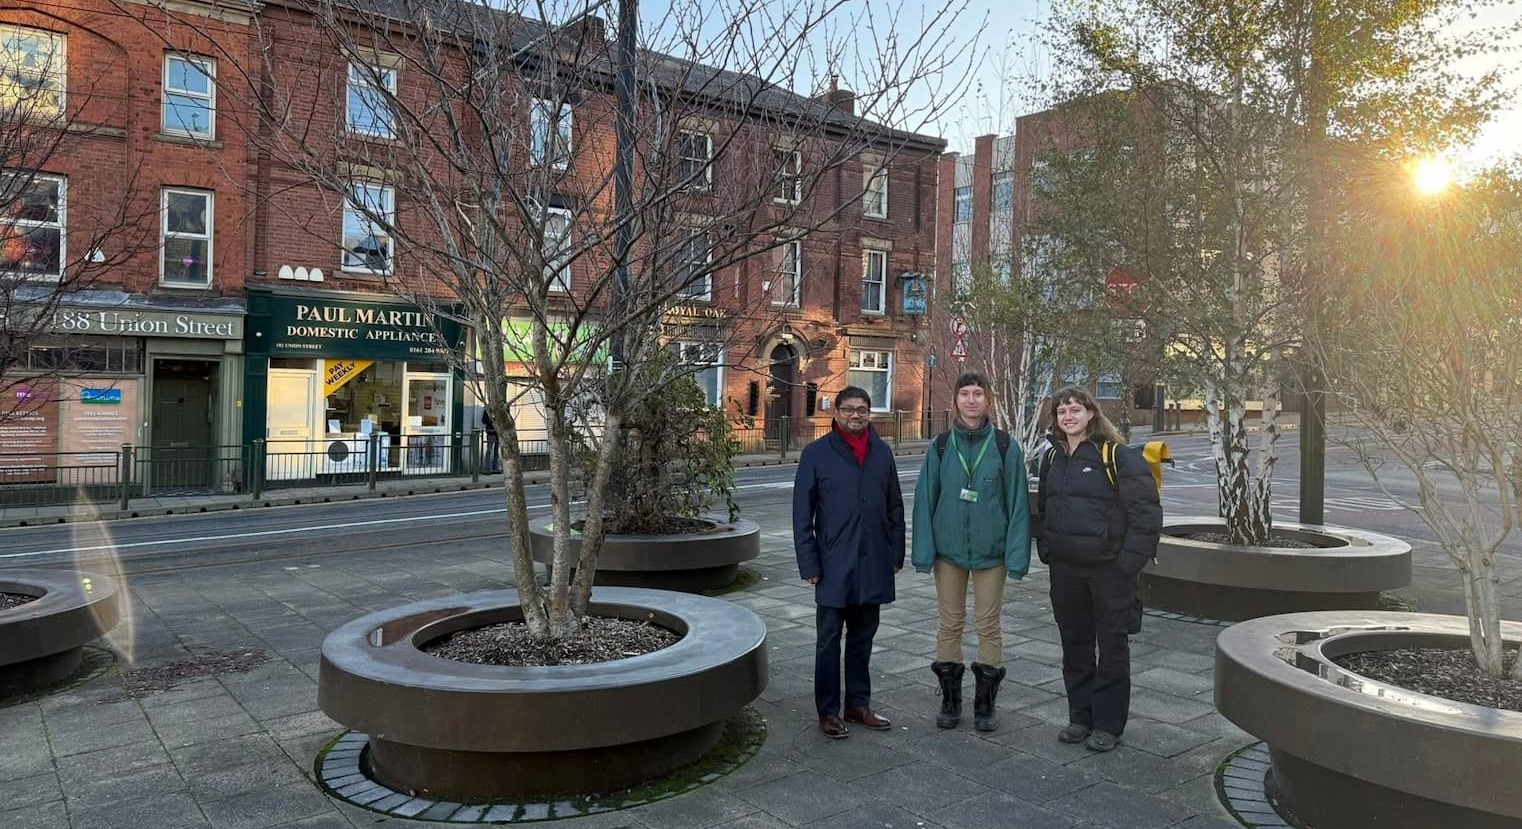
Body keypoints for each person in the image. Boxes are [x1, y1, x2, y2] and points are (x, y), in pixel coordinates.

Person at [1035, 385, 1162, 752]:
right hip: (1065, 570)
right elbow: (1043, 507)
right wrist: (1047, 548)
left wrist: (1127, 565)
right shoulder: (1053, 458)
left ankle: (1108, 724)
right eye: (1062, 411)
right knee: (1074, 645)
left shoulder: (1117, 456)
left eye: (1076, 409)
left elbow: (1147, 515)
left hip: (1109, 572)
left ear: (1092, 414)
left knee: (1111, 648)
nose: (1069, 416)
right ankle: (1080, 717)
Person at [912, 372, 1029, 732]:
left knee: (988, 625)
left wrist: (1016, 556)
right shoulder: (941, 445)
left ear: (988, 400)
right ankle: (950, 698)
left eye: (979, 393)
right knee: (949, 623)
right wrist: (923, 551)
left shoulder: (1007, 446)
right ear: (956, 401)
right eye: (965, 393)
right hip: (949, 553)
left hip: (991, 554)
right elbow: (924, 499)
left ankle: (984, 702)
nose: (972, 399)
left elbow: (1018, 505)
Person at [794, 386, 905, 739]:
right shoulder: (816, 454)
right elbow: (802, 515)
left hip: (873, 562)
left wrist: (896, 555)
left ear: (869, 413)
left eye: (862, 409)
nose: (855, 415)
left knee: (863, 637)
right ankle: (828, 710)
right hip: (833, 563)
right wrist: (809, 565)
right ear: (837, 413)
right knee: (828, 639)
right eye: (848, 409)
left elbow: (895, 509)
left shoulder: (882, 453)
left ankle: (858, 704)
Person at [481, 408, 500, 474]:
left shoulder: (499, 409)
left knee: (496, 451)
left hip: (498, 433)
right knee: (489, 450)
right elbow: (484, 420)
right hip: (490, 432)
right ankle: (487, 468)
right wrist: (491, 419)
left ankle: (495, 468)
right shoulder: (487, 410)